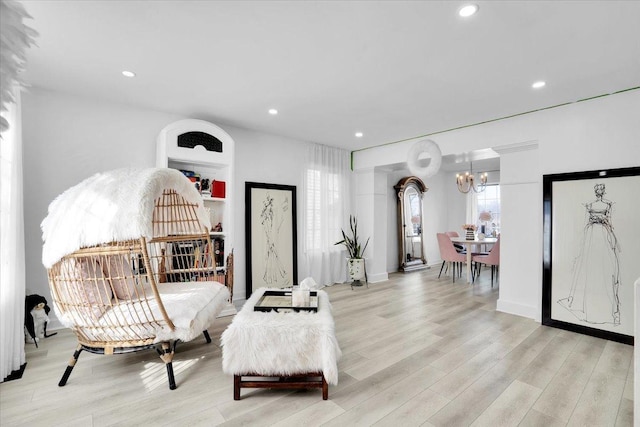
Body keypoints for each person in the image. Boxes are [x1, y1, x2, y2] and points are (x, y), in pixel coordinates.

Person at [558, 183, 621, 325]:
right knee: (595, 264)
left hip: (595, 234)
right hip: (597, 234)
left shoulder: (595, 205)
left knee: (599, 264)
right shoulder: (604, 205)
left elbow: (601, 223)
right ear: (602, 192)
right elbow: (609, 223)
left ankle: (597, 299)